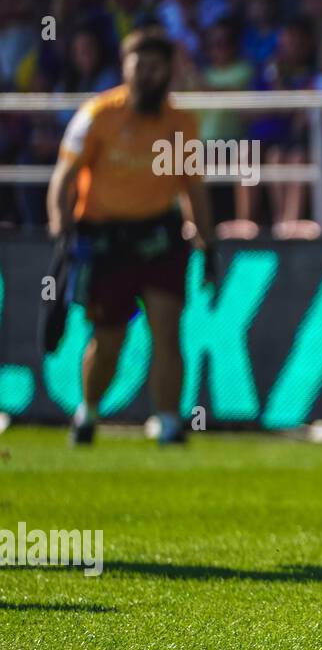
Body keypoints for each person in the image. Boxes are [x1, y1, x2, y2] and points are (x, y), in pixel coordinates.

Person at [47, 27, 217, 447]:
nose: (146, 75)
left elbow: (192, 188)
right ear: (125, 68)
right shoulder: (98, 114)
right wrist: (59, 228)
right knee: (108, 339)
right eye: (138, 66)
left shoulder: (181, 123)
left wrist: (209, 244)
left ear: (168, 73)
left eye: (155, 68)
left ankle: (169, 422)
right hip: (105, 240)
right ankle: (87, 413)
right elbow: (63, 178)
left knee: (166, 329)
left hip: (159, 236)